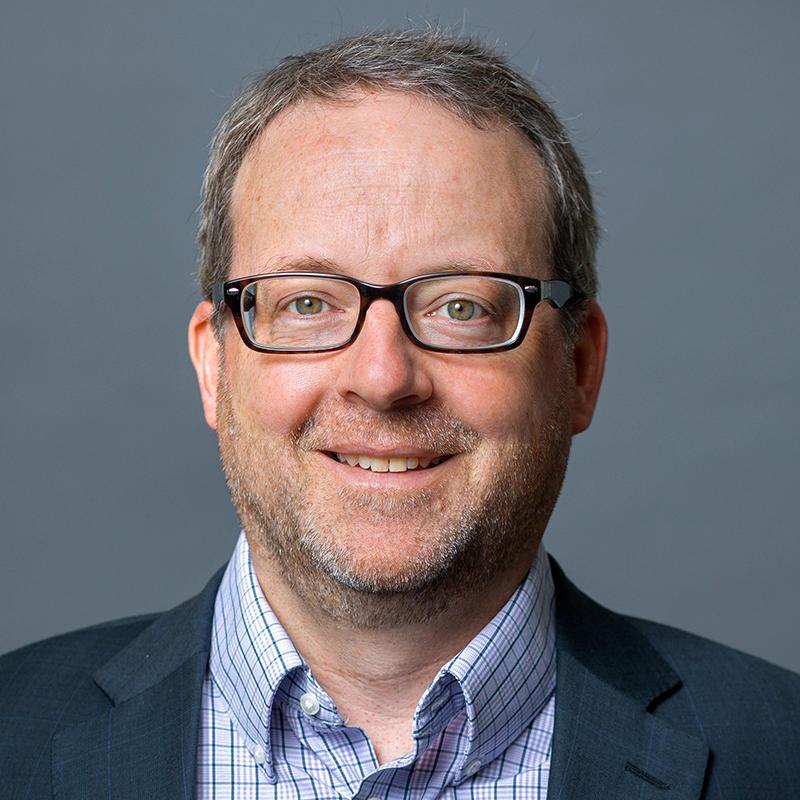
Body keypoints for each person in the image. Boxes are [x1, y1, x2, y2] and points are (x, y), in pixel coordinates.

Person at [1, 29, 798, 800]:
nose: (383, 378)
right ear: (215, 365)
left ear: (579, 368)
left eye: (461, 305)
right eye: (307, 303)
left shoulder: (779, 754)